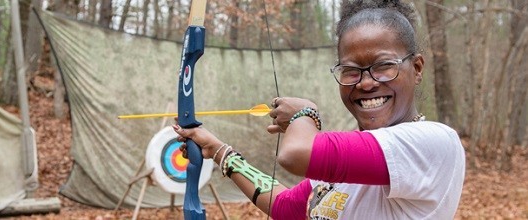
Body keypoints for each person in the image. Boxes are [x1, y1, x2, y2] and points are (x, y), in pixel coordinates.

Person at [173, 0, 466, 219]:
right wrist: (220, 151)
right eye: (351, 71)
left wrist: (306, 113)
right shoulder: (346, 161)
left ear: (416, 68)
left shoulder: (433, 142)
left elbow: (295, 154)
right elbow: (286, 206)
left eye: (383, 66)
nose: (365, 83)